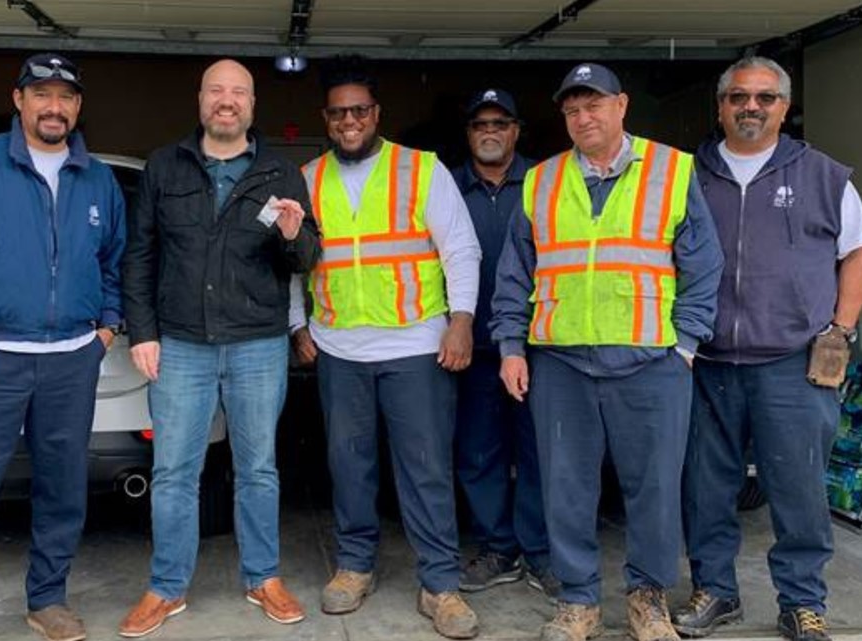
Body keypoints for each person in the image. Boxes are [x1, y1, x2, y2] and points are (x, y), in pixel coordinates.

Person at [490, 62, 723, 641]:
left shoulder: (671, 170)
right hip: (562, 362)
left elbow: (704, 265)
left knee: (655, 488)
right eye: (571, 109)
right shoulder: (542, 181)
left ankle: (647, 599)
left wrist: (686, 345)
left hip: (652, 363)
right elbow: (515, 273)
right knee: (566, 488)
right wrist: (510, 346)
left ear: (621, 106)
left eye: (593, 105)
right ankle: (578, 601)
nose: (582, 117)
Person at [0, 53, 126, 641]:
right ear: (19, 100)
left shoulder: (99, 179)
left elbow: (116, 261)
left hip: (70, 361)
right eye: (42, 95)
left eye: (65, 97)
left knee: (62, 488)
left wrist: (106, 327)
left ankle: (48, 599)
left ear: (78, 106)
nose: (53, 107)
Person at [118, 58, 320, 636]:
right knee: (174, 471)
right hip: (181, 343)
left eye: (238, 92)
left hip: (257, 344)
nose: (226, 101)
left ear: (253, 105)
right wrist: (144, 332)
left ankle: (263, 577)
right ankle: (166, 588)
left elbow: (306, 258)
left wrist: (291, 232)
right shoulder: (164, 166)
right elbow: (140, 256)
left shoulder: (280, 173)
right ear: (201, 100)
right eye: (216, 91)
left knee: (258, 468)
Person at [674, 56, 862, 641]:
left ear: (784, 107)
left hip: (792, 363)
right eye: (738, 97)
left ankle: (803, 601)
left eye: (765, 97)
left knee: (798, 488)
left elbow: (858, 251)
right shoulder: (688, 176)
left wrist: (840, 329)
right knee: (705, 488)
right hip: (706, 362)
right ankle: (715, 591)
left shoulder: (823, 175)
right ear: (720, 106)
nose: (751, 107)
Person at [291, 54, 483, 639]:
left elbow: (461, 250)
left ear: (376, 113)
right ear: (327, 119)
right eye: (338, 113)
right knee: (349, 466)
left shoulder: (422, 170)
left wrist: (461, 321)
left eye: (360, 110)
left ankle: (441, 584)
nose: (349, 121)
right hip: (338, 347)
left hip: (415, 346)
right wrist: (299, 326)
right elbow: (291, 267)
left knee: (424, 469)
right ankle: (354, 566)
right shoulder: (306, 179)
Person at [449, 88, 556, 601]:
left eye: (500, 122)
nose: (489, 131)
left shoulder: (546, 181)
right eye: (479, 124)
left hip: (539, 344)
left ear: (516, 130)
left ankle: (539, 551)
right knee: (478, 452)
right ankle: (498, 548)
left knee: (540, 452)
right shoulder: (446, 186)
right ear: (468, 133)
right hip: (471, 347)